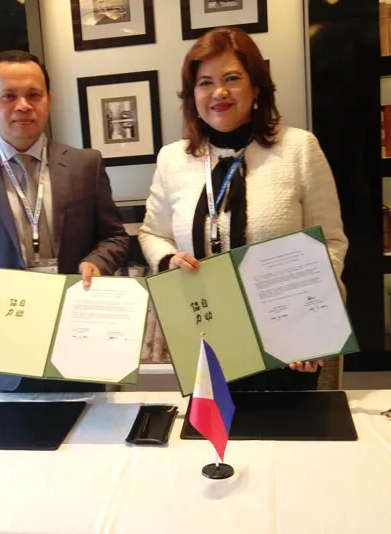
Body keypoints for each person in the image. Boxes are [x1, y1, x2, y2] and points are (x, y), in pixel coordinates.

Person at [138, 27, 348, 391]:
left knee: (288, 424)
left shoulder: (298, 148)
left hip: (285, 338)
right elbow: (152, 233)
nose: (218, 92)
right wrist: (170, 259)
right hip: (208, 335)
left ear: (256, 88)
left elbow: (330, 242)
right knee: (213, 426)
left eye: (232, 78)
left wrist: (308, 317)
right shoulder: (173, 159)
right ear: (192, 95)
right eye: (205, 83)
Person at [0, 50, 129, 393]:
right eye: (8, 96)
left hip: (76, 335)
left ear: (48, 100)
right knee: (8, 426)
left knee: (87, 424)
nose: (23, 105)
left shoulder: (85, 164)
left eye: (33, 95)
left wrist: (97, 262)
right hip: (2, 339)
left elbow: (115, 237)